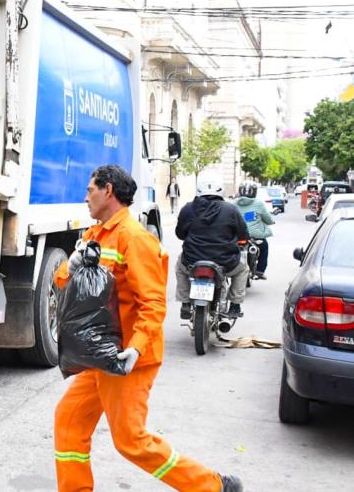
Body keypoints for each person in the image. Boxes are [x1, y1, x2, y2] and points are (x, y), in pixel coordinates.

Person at [53, 165, 242, 492]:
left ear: (107, 191)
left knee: (130, 440)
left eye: (90, 190)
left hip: (128, 358)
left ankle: (212, 486)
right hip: (100, 355)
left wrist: (135, 349)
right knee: (68, 420)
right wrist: (71, 265)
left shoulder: (135, 238)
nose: (85, 197)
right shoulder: (94, 235)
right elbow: (63, 282)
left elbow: (153, 303)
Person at [175, 179, 250, 319]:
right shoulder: (231, 209)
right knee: (243, 269)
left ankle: (185, 302)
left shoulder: (188, 208)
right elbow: (243, 234)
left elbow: (180, 234)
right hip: (226, 262)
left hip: (192, 261)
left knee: (180, 267)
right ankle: (235, 305)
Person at [233, 181, 274, 279]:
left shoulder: (233, 204)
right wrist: (271, 221)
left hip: (237, 236)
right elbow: (268, 219)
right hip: (255, 237)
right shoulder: (258, 204)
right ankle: (260, 271)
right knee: (264, 247)